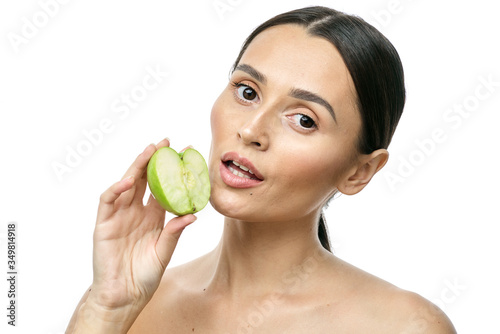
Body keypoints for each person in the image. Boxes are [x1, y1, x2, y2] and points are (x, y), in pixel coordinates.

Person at [66, 6, 456, 333]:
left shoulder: (403, 325)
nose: (251, 130)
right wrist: (106, 310)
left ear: (360, 171)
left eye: (304, 120)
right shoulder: (133, 306)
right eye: (248, 92)